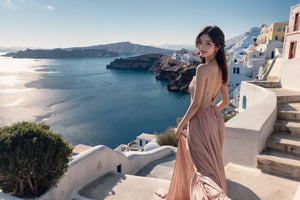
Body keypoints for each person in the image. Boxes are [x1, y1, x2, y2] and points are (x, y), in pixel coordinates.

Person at [155, 25, 230, 200]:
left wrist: (180, 127)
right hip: (215, 122)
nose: (202, 47)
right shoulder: (222, 68)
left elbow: (196, 104)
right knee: (211, 164)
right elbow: (225, 102)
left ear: (217, 47)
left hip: (199, 123)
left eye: (208, 44)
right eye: (200, 43)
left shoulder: (202, 69)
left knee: (202, 169)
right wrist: (211, 113)